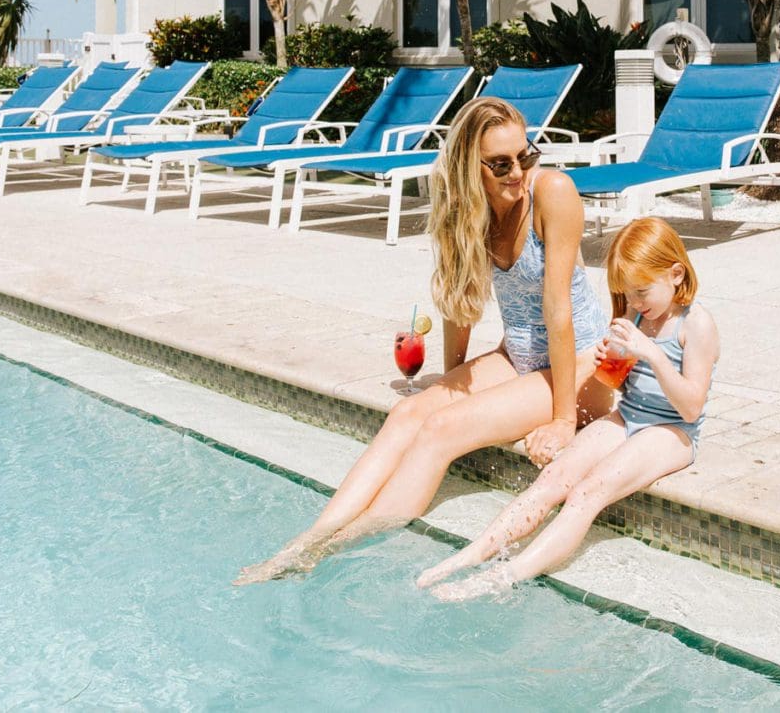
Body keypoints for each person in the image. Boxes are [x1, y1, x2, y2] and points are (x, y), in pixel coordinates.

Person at [235, 96, 613, 585]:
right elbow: (460, 302)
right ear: (469, 166)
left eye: (527, 155)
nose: (518, 172)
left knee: (441, 430)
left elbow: (558, 313)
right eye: (500, 164)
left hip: (580, 363)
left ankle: (332, 553)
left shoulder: (552, 193)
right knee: (409, 413)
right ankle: (307, 540)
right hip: (518, 356)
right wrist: (453, 377)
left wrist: (564, 421)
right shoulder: (465, 207)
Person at [417, 217, 718, 600]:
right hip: (630, 415)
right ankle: (472, 554)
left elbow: (691, 407)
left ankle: (506, 575)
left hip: (671, 431)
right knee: (554, 478)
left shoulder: (697, 325)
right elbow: (620, 385)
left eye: (642, 291)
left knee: (588, 491)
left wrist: (651, 354)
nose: (636, 303)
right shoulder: (638, 315)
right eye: (628, 293)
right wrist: (610, 362)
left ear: (676, 274)